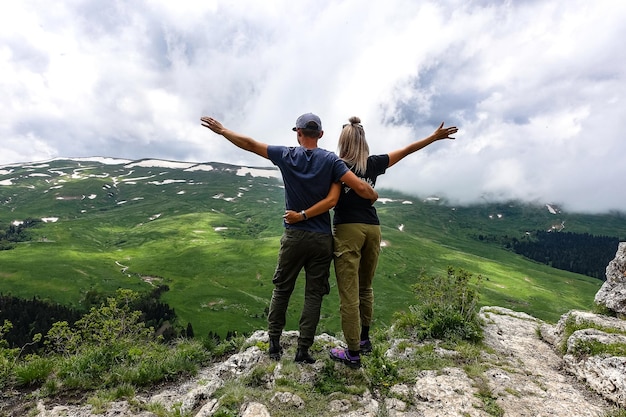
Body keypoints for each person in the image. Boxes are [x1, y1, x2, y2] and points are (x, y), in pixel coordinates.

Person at [200, 113, 378, 364]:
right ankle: (303, 351)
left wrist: (223, 131)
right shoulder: (331, 161)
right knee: (313, 295)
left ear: (298, 133)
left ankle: (274, 344)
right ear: (321, 135)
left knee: (282, 289)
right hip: (321, 239)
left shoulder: (286, 155)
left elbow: (250, 144)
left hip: (294, 236)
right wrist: (372, 194)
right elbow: (358, 188)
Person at [287, 116, 458, 368]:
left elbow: (330, 199)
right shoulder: (374, 164)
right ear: (363, 141)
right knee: (365, 287)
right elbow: (407, 150)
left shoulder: (338, 166)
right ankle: (364, 341)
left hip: (348, 231)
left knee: (349, 295)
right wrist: (433, 138)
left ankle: (352, 353)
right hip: (373, 228)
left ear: (342, 141)